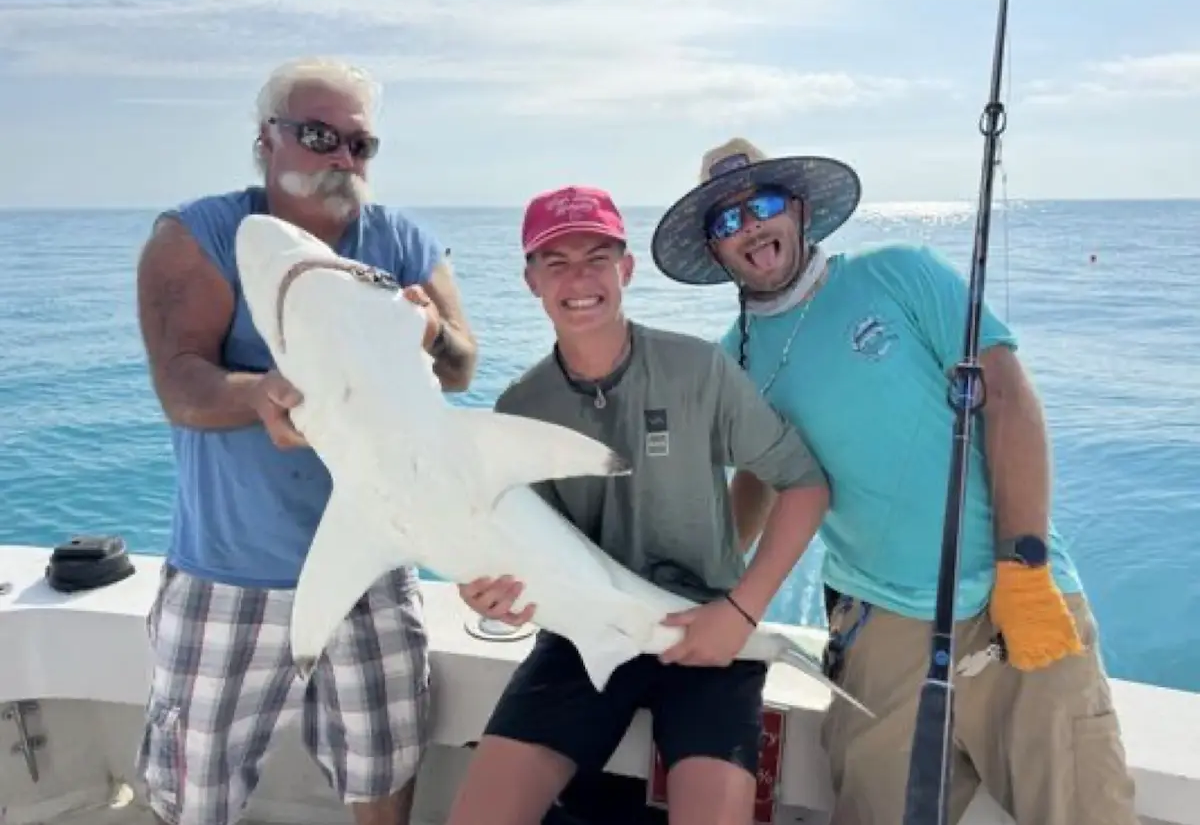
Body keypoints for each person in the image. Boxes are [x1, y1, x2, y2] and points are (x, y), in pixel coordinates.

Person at [648, 137, 1139, 825]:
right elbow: (761, 481)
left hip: (1014, 594)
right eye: (727, 222)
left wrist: (1023, 564)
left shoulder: (900, 274)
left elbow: (1009, 396)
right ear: (715, 249)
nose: (750, 228)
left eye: (760, 205)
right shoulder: (734, 363)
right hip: (879, 622)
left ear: (799, 209)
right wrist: (708, 590)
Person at [132, 56, 478, 825]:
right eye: (319, 135)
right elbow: (180, 383)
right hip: (228, 574)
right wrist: (261, 395)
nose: (343, 158)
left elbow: (461, 365)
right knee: (195, 792)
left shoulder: (402, 241)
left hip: (372, 572)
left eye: (361, 144)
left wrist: (429, 334)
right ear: (267, 139)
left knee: (381, 769)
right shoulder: (203, 236)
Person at [443, 185, 832, 825]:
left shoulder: (697, 369)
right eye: (556, 262)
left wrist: (742, 609)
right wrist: (493, 595)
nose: (579, 279)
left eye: (597, 257)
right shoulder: (520, 408)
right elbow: (516, 549)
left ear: (626, 269)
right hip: (584, 633)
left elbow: (804, 481)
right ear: (530, 280)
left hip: (708, 629)